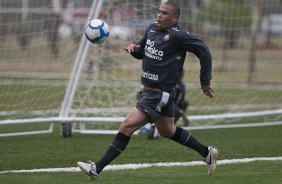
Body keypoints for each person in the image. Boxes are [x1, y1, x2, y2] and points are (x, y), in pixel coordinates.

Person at [77, 2, 219, 180]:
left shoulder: (178, 36)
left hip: (158, 93)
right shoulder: (151, 29)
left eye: (164, 13)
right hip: (153, 93)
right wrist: (134, 49)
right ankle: (207, 152)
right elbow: (142, 50)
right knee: (168, 131)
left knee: (127, 125)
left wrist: (205, 81)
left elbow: (204, 50)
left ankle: (96, 168)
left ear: (174, 18)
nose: (159, 15)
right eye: (159, 12)